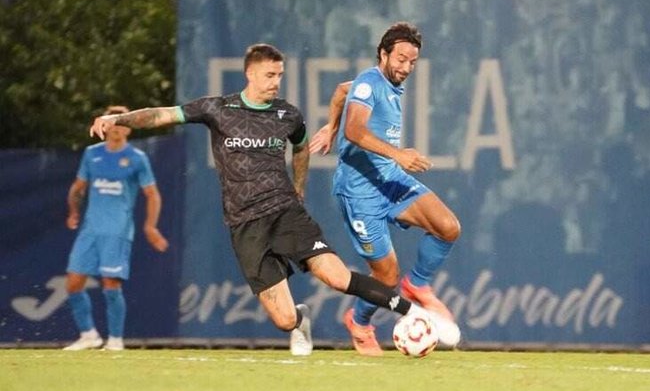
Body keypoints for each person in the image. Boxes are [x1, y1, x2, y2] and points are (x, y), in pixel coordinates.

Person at [89, 43, 444, 357]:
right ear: (250, 73)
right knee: (284, 318)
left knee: (335, 276)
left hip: (286, 213)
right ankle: (300, 321)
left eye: (280, 75)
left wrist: (300, 186)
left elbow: (302, 145)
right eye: (270, 74)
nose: (276, 81)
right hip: (245, 224)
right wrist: (118, 118)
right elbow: (164, 114)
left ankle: (411, 311)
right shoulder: (218, 109)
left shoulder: (287, 115)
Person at [309, 22, 461, 355]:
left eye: (412, 62)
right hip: (360, 193)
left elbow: (338, 91)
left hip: (389, 180)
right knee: (386, 277)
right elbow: (356, 131)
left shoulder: (379, 84)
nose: (406, 68)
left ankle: (417, 284)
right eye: (401, 59)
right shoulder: (369, 83)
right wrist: (397, 154)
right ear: (383, 53)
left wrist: (330, 128)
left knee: (448, 227)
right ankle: (360, 323)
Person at [64, 105, 169, 351]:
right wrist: (73, 211)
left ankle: (115, 340)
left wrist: (150, 227)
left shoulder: (137, 159)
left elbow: (152, 195)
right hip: (90, 230)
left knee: (111, 285)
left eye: (124, 123)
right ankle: (89, 334)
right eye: (114, 122)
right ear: (104, 124)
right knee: (72, 284)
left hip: (118, 231)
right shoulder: (92, 154)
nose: (118, 128)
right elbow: (78, 188)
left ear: (129, 130)